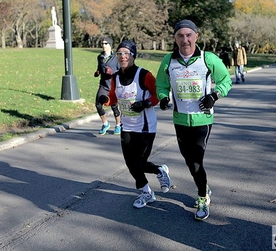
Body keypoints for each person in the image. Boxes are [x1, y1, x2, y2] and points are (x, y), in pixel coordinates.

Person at [156, 19, 232, 220]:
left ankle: (202, 196)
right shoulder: (168, 61)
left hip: (202, 120)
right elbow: (161, 85)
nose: (185, 39)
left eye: (189, 35)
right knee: (189, 161)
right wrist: (163, 98)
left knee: (196, 161)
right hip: (180, 120)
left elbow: (226, 80)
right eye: (180, 35)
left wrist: (214, 96)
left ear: (196, 37)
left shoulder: (208, 59)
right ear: (175, 38)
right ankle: (204, 185)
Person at [99, 40, 171, 208]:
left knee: (139, 162)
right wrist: (106, 100)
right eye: (119, 54)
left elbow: (156, 95)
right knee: (130, 163)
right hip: (127, 125)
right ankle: (146, 192)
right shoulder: (115, 77)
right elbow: (114, 97)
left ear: (133, 55)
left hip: (145, 126)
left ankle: (160, 170)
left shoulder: (144, 75)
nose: (123, 57)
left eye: (126, 53)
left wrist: (144, 104)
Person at [94, 37, 121, 135]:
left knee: (114, 106)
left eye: (106, 43)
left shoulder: (116, 57)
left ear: (110, 45)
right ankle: (105, 123)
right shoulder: (100, 57)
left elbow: (122, 71)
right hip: (103, 85)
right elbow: (99, 68)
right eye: (102, 43)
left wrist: (112, 72)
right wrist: (97, 72)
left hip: (114, 85)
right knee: (98, 104)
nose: (103, 45)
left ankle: (118, 125)